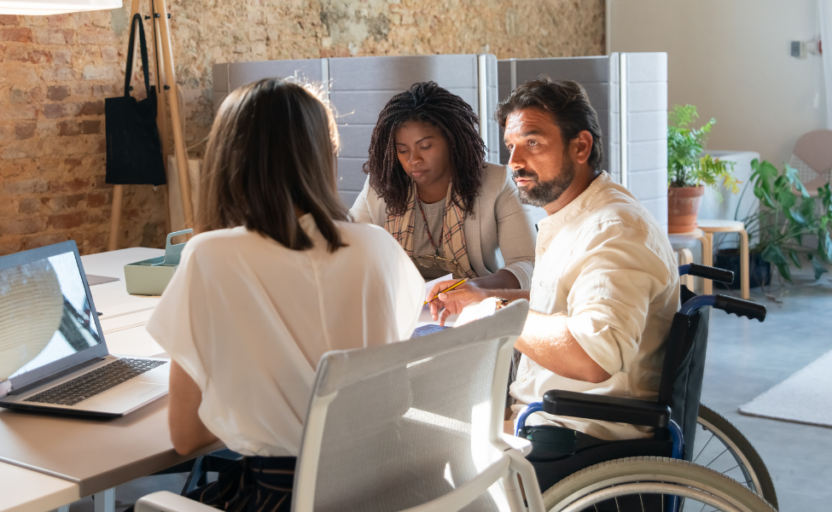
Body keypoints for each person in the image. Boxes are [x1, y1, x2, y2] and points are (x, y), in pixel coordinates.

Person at [145, 78, 425, 512]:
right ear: (321, 155)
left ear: (227, 157)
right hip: (386, 489)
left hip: (286, 499)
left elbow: (185, 436)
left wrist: (264, 409)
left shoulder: (211, 256)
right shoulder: (377, 247)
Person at [428, 77, 680, 445]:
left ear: (581, 146)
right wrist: (484, 297)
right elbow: (563, 306)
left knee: (423, 447)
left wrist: (496, 314)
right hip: (550, 417)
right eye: (511, 147)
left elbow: (593, 355)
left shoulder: (615, 229)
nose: (514, 162)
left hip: (580, 435)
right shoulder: (581, 216)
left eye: (533, 143)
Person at [350, 81, 536, 289]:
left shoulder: (496, 182)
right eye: (402, 150)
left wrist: (474, 288)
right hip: (403, 306)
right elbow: (349, 252)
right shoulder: (381, 186)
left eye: (425, 146)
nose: (414, 159)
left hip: (473, 305)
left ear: (452, 140)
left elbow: (528, 264)